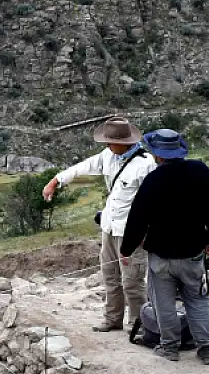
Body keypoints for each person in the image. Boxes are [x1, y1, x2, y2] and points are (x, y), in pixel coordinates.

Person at [41, 116, 157, 332]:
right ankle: (113, 319)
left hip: (131, 233)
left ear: (123, 142)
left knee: (132, 281)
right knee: (110, 276)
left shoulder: (145, 165)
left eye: (109, 141)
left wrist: (144, 233)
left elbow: (153, 202)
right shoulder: (109, 156)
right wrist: (56, 180)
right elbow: (84, 166)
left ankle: (138, 324)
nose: (106, 145)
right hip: (109, 228)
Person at [119, 128, 209, 365]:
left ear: (158, 154)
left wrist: (126, 250)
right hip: (193, 253)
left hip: (161, 255)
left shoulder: (153, 180)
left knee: (163, 303)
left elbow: (137, 220)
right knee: (197, 300)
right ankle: (206, 349)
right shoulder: (201, 171)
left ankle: (170, 348)